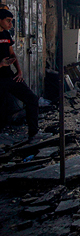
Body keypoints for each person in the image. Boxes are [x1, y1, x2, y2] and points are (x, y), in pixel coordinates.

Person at [0, 9, 40, 142]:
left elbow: (12, 54)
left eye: (11, 21)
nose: (10, 24)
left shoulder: (6, 34)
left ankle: (33, 133)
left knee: (32, 99)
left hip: (9, 76)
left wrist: (19, 71)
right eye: (8, 21)